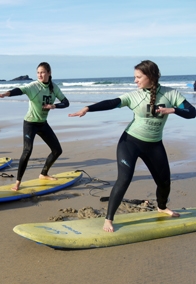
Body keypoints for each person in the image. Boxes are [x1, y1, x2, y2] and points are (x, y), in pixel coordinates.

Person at [69, 60, 196, 233]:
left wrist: (173, 110)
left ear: (150, 76)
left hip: (154, 145)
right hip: (130, 142)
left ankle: (162, 207)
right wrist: (87, 108)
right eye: (135, 77)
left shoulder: (171, 94)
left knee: (164, 182)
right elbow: (112, 102)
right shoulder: (134, 96)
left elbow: (191, 112)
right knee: (124, 179)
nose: (135, 80)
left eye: (138, 77)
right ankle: (109, 219)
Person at [0, 62, 69, 191]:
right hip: (30, 123)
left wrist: (54, 106)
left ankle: (43, 174)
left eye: (43, 72)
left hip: (43, 124)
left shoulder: (54, 88)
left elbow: (66, 102)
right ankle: (17, 182)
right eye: (38, 72)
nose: (40, 75)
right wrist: (7, 94)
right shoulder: (34, 86)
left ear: (49, 73)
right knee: (27, 151)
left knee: (57, 150)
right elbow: (20, 90)